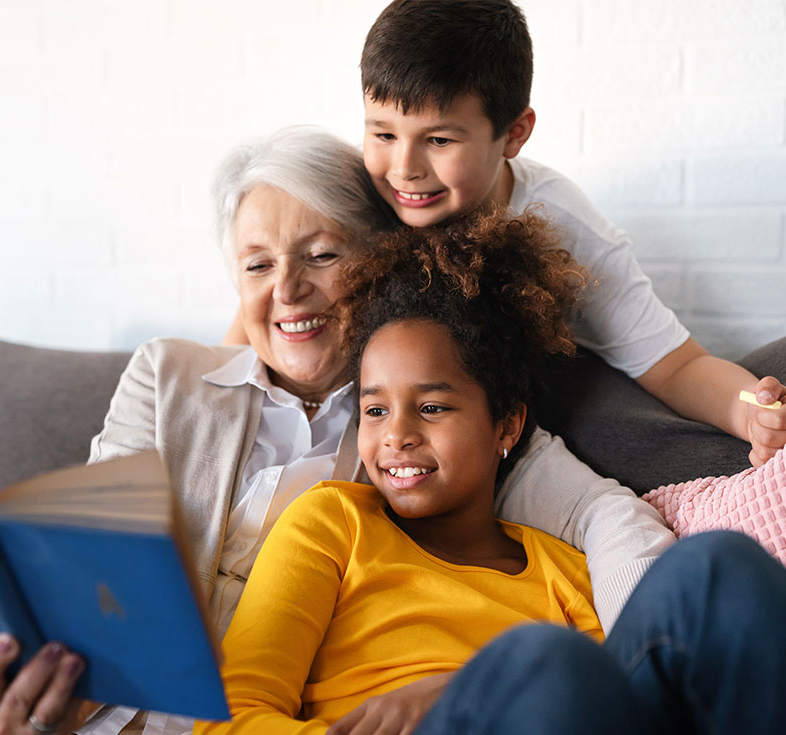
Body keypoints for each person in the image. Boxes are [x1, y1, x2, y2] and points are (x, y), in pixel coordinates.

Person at [0, 127, 671, 735]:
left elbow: (601, 514)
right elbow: (80, 550)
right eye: (259, 264)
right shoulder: (169, 378)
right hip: (50, 690)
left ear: (376, 260)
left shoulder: (415, 424)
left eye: (320, 255)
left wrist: (647, 670)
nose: (290, 290)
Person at [196, 211, 786, 735]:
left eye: (432, 407)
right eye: (375, 410)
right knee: (544, 660)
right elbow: (230, 714)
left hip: (550, 694)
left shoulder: (566, 571)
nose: (396, 434)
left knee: (719, 565)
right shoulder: (333, 523)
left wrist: (470, 686)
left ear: (506, 427)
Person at [359, 0, 786, 468]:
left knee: (629, 434)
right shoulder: (358, 198)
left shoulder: (563, 224)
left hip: (544, 403)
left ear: (515, 134)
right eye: (383, 135)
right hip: (409, 427)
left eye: (439, 140)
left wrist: (750, 413)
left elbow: (676, 366)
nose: (404, 169)